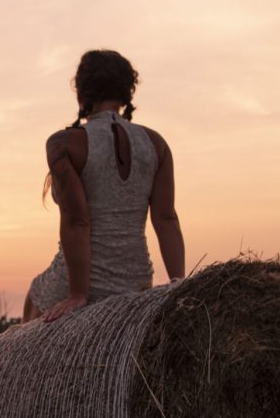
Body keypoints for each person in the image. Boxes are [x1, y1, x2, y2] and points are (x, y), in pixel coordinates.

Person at [22, 49, 185, 322]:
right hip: (137, 280)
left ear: (81, 92)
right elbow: (166, 219)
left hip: (85, 281)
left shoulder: (64, 144)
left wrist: (78, 294)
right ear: (126, 91)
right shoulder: (156, 144)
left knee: (33, 296)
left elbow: (77, 222)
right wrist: (179, 284)